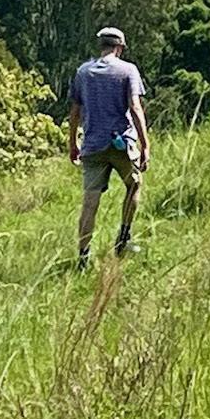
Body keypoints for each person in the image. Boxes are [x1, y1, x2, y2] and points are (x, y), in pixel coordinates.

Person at [67, 27, 150, 268]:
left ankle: (83, 256)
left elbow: (75, 112)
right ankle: (124, 237)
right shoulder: (128, 70)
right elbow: (135, 107)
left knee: (90, 202)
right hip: (121, 143)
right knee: (134, 185)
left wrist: (73, 144)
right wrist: (145, 144)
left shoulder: (83, 72)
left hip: (92, 145)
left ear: (101, 46)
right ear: (120, 47)